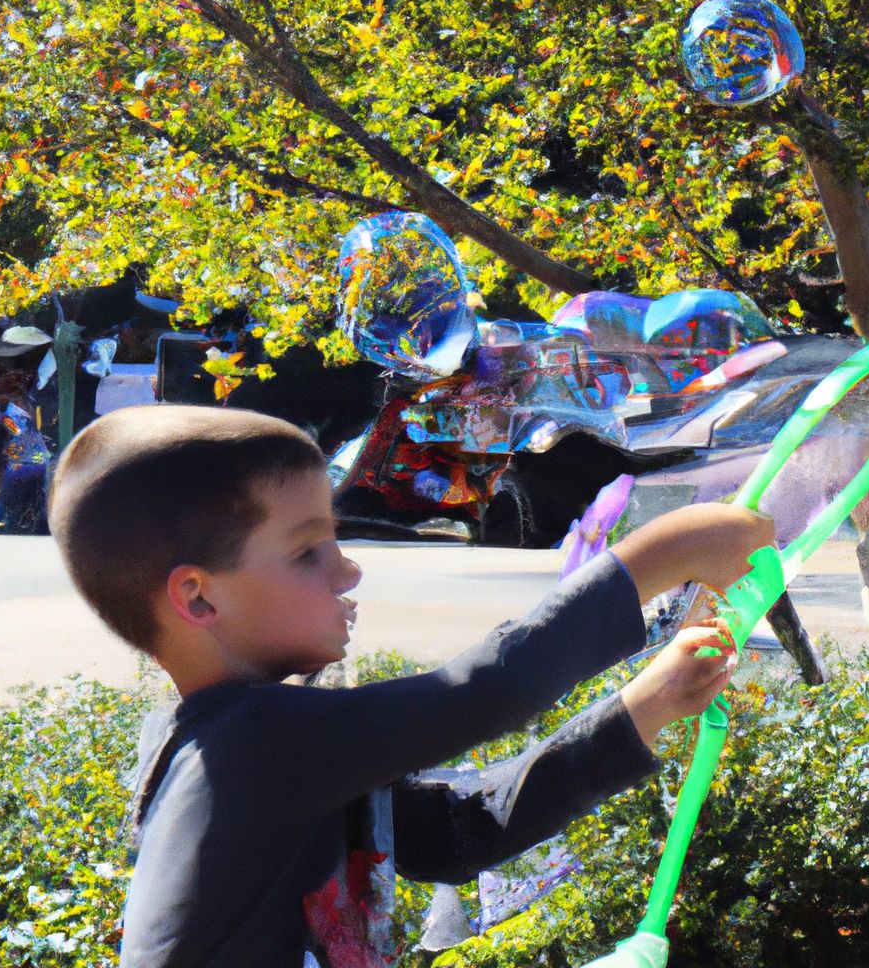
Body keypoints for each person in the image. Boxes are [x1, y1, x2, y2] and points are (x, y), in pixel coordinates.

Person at [47, 404, 774, 968]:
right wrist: (661, 554)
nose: (347, 571)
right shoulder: (250, 745)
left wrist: (652, 702)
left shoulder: (261, 753)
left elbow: (460, 830)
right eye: (307, 552)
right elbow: (485, 691)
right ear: (199, 599)